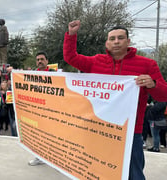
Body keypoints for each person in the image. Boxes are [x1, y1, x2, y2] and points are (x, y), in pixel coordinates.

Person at [63, 20, 167, 180]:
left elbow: (163, 95)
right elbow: (71, 57)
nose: (116, 41)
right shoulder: (95, 62)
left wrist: (152, 84)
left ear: (128, 41)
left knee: (134, 173)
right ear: (107, 42)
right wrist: (71, 35)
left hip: (131, 132)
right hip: (100, 130)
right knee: (100, 172)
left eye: (120, 38)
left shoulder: (147, 64)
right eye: (112, 38)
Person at [28, 51, 53, 166]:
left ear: (47, 61)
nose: (40, 62)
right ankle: (39, 157)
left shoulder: (54, 74)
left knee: (52, 136)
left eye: (42, 59)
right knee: (38, 135)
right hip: (37, 110)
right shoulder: (31, 75)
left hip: (51, 110)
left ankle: (54, 160)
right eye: (38, 60)